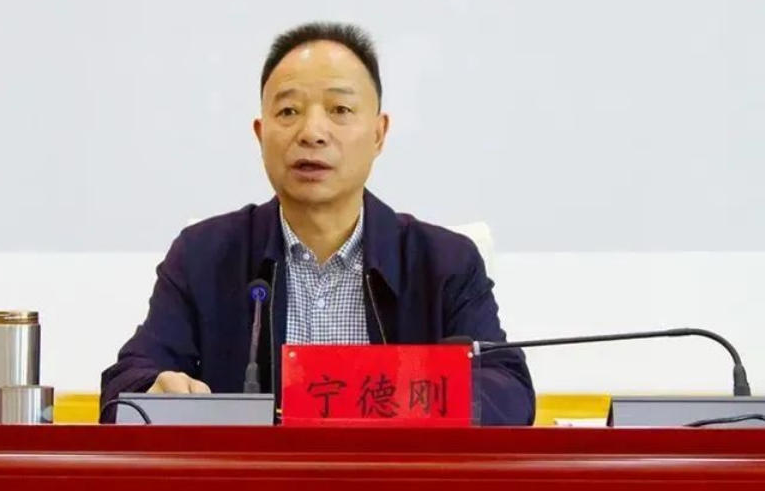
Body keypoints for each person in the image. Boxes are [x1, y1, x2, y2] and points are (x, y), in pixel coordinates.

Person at [100, 22, 534, 425]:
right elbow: (125, 387)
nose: (312, 132)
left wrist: (405, 396)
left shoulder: (444, 262)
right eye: (288, 111)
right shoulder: (203, 256)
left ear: (379, 133)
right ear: (260, 134)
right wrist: (155, 389)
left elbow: (509, 390)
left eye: (340, 109)